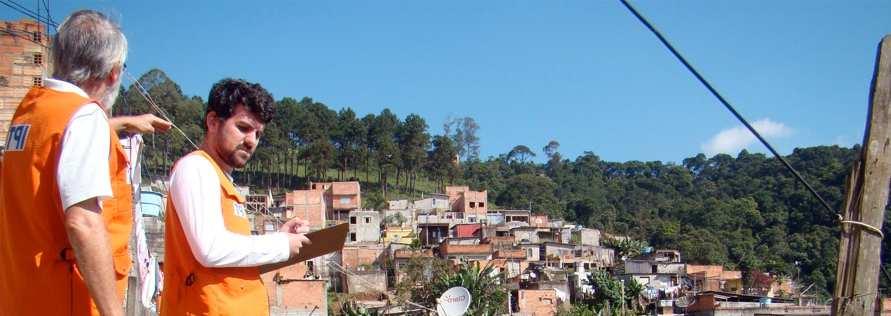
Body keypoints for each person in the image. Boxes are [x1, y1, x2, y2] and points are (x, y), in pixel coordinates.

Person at [0, 10, 171, 316]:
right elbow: (83, 222)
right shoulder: (84, 118)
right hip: (69, 298)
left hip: (24, 296)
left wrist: (124, 123)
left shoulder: (31, 110)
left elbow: (61, 141)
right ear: (113, 73)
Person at [161, 78, 311, 315]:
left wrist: (279, 237)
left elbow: (230, 253)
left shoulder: (220, 180)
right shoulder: (196, 168)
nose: (251, 141)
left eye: (258, 134)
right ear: (212, 122)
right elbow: (210, 248)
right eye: (242, 128)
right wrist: (280, 244)